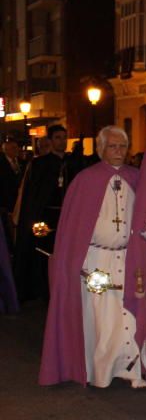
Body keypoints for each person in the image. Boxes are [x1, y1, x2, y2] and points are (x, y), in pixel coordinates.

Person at [38, 126, 146, 388]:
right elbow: (73, 228)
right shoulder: (84, 180)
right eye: (112, 146)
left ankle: (132, 370)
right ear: (100, 149)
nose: (118, 151)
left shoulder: (137, 178)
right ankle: (100, 371)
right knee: (102, 319)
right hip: (96, 260)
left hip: (129, 259)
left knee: (131, 314)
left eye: (122, 146)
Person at [12, 125, 84, 301]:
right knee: (44, 253)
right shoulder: (40, 164)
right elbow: (34, 194)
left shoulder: (73, 163)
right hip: (46, 218)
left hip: (68, 217)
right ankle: (43, 289)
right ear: (51, 141)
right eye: (58, 137)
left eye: (64, 137)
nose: (62, 141)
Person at [0, 137, 22, 248]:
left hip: (19, 202)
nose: (16, 150)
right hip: (7, 203)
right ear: (6, 150)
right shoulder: (2, 164)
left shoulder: (21, 162)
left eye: (16, 147)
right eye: (13, 148)